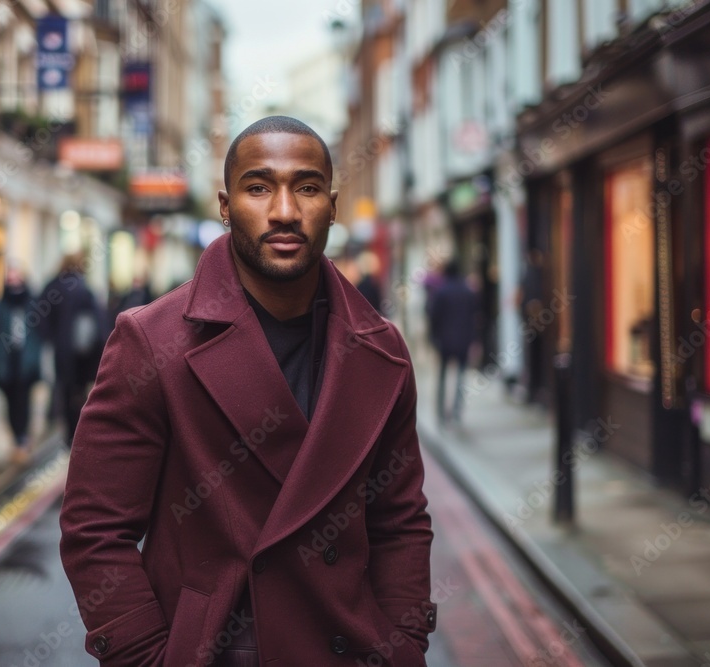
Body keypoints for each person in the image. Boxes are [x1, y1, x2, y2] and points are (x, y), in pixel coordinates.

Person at [60, 116, 436, 666]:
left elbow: (399, 521)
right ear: (225, 204)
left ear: (332, 206)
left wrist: (404, 640)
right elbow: (95, 530)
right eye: (258, 188)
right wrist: (147, 657)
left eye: (307, 188)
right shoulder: (151, 342)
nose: (284, 211)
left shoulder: (382, 350)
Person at [41, 253, 108, 445]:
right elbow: (99, 323)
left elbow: (41, 318)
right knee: (79, 393)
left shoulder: (52, 287)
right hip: (83, 353)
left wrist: (53, 338)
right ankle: (78, 434)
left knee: (64, 389)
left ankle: (68, 434)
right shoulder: (84, 288)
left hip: (62, 351)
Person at [0, 266, 43, 464]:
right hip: (6, 363)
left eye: (17, 279)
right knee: (11, 403)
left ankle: (22, 439)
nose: (14, 284)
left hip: (26, 362)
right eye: (10, 280)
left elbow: (40, 335)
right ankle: (17, 437)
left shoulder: (33, 304)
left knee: (24, 401)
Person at [428, 260, 478, 424]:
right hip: (463, 340)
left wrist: (433, 338)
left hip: (444, 340)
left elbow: (433, 316)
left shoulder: (441, 292)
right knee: (461, 377)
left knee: (442, 376)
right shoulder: (468, 291)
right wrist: (474, 339)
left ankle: (441, 412)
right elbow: (475, 318)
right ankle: (457, 411)